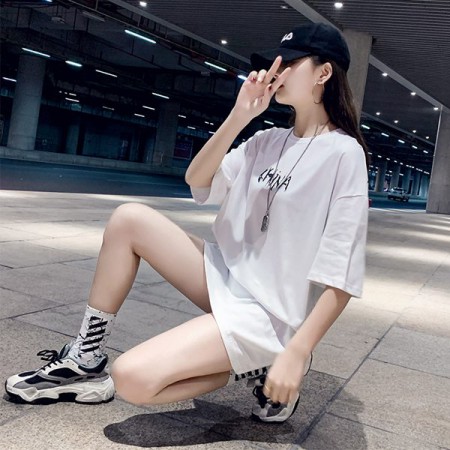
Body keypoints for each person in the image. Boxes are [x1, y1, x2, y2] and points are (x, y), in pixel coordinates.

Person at [5, 22, 369, 424]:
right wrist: (239, 116)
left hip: (268, 315)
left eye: (290, 64)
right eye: (274, 65)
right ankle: (86, 358)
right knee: (129, 219)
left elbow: (340, 273)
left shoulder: (344, 154)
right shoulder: (267, 140)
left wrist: (298, 352)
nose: (275, 73)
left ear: (324, 72)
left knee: (131, 379)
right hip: (228, 277)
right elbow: (197, 179)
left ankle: (265, 361)